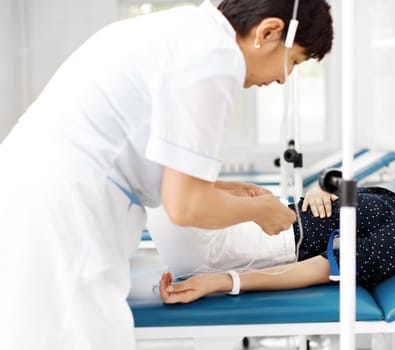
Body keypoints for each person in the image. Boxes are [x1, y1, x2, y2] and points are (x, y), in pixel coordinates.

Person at [0, 1, 333, 349]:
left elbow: (154, 162)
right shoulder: (214, 59)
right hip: (62, 213)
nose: (283, 78)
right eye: (292, 61)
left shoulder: (186, 32)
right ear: (268, 32)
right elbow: (185, 206)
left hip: (39, 195)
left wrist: (222, 188)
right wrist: (263, 212)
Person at [158, 138, 395, 303]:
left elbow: (324, 267)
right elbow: (339, 208)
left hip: (239, 246)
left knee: (153, 176)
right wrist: (320, 193)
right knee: (157, 176)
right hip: (252, 228)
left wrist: (222, 282)